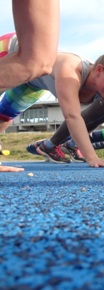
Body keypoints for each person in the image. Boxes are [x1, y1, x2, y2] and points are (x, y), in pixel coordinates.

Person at [0, 34, 104, 168]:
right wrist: (92, 158)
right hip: (12, 51)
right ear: (99, 70)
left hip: (34, 81)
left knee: (4, 117)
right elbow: (72, 117)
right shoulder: (70, 71)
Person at [0, 0, 59, 172]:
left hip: (36, 79)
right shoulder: (71, 74)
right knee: (38, 60)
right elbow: (72, 117)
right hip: (11, 48)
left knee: (5, 117)